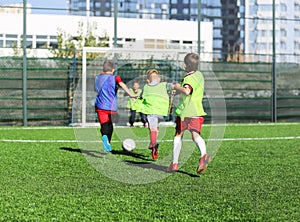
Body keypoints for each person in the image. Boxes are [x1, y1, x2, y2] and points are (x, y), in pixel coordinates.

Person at [167, 52, 211, 174]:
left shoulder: (188, 78)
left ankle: (174, 163)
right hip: (197, 111)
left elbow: (187, 91)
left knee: (178, 135)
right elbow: (189, 89)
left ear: (185, 65)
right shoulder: (199, 76)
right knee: (195, 135)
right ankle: (203, 155)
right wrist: (179, 88)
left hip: (185, 112)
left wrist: (176, 87)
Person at [94, 60, 135, 152]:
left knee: (103, 125)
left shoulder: (97, 78)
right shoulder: (115, 78)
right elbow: (123, 85)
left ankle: (105, 139)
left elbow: (95, 90)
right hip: (111, 106)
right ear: (113, 69)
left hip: (100, 106)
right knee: (110, 125)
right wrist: (130, 94)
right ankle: (107, 141)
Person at [135, 69, 173, 160]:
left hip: (151, 111)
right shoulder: (164, 85)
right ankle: (152, 142)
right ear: (159, 79)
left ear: (148, 80)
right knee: (156, 128)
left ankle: (153, 144)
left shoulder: (146, 87)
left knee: (152, 128)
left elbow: (142, 97)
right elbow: (172, 90)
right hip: (161, 112)